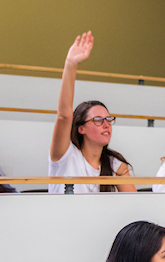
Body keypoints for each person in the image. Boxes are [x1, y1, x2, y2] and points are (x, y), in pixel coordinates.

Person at [48, 31, 136, 193]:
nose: (106, 125)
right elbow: (64, 115)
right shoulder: (65, 155)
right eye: (98, 120)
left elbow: (133, 203)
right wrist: (70, 65)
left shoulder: (116, 165)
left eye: (108, 119)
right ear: (81, 128)